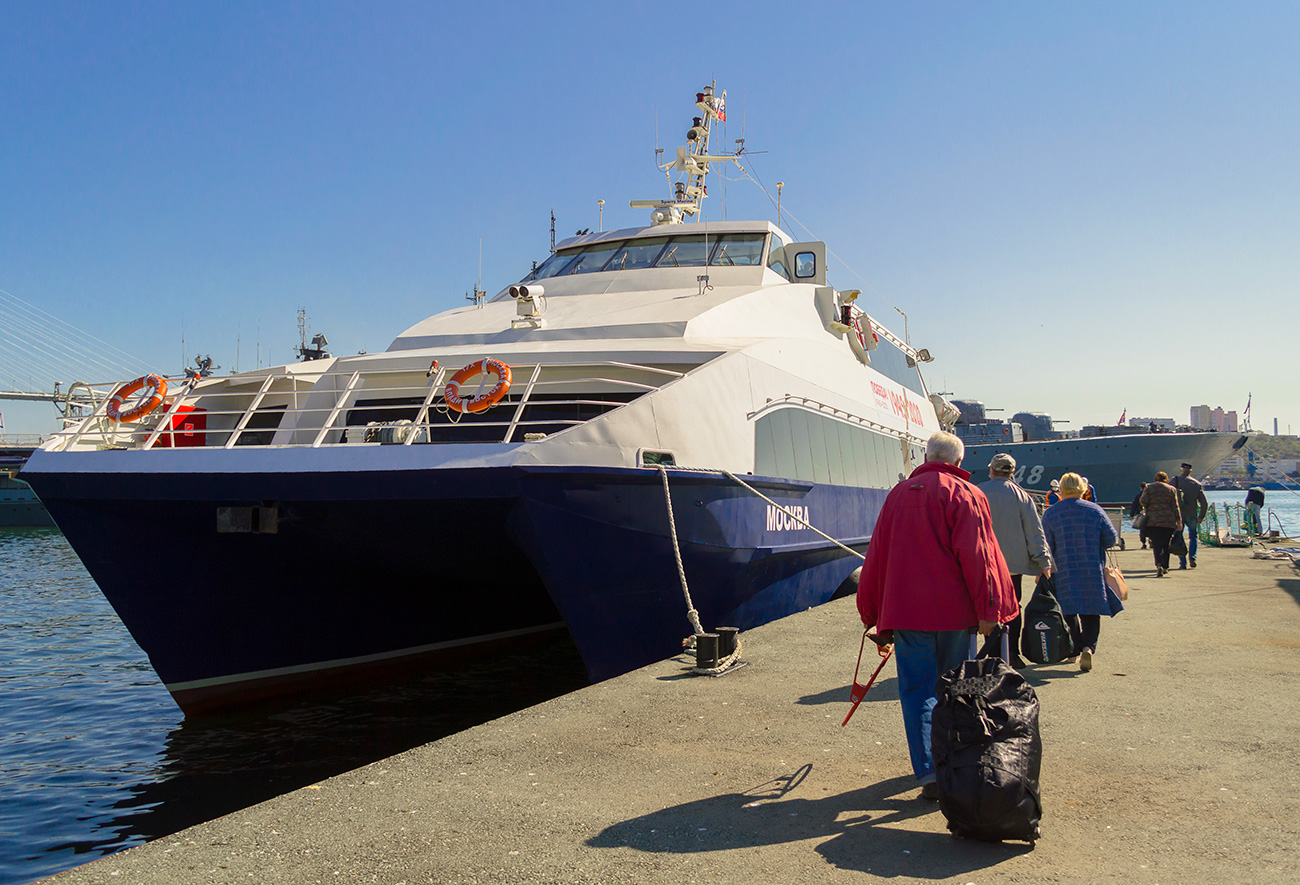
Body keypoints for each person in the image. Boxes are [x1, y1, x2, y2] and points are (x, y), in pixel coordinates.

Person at [857, 431, 1017, 802]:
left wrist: (870, 610)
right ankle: (957, 763)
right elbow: (980, 559)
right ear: (959, 462)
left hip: (908, 613)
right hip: (957, 615)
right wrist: (989, 610)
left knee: (917, 692)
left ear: (924, 457)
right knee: (958, 690)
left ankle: (929, 771)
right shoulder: (967, 494)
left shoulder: (897, 495)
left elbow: (877, 555)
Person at [978, 453, 1053, 669]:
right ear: (1012, 472)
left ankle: (991, 653)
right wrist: (1043, 561)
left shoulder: (978, 491)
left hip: (985, 564)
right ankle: (1012, 653)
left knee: (987, 608)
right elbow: (1034, 532)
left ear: (992, 470)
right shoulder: (1023, 496)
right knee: (1013, 608)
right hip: (1013, 567)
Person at [1041, 473, 1119, 672]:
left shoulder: (1051, 513)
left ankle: (1074, 649)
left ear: (1061, 489)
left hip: (1063, 570)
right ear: (1082, 488)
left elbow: (1045, 545)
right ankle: (1088, 648)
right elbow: (1111, 539)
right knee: (1091, 610)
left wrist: (1041, 569)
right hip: (1091, 568)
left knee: (1068, 611)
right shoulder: (1095, 510)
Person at [1139, 471, 1182, 576]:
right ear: (1166, 479)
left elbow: (1142, 501)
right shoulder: (1171, 489)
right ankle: (1165, 566)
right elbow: (1175, 506)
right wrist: (1179, 520)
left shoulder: (1149, 488)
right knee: (1166, 544)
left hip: (1153, 521)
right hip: (1168, 521)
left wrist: (1148, 506)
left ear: (1155, 478)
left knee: (1157, 544)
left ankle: (1158, 565)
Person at [1170, 462, 1208, 569]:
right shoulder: (1196, 484)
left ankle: (1182, 562)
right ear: (1190, 471)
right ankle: (1192, 557)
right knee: (1193, 536)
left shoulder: (1175, 480)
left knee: (1178, 537)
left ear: (1181, 470)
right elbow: (1204, 502)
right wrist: (1201, 516)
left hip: (1178, 515)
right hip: (1192, 514)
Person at [1129, 482, 1149, 549]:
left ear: (1140, 488)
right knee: (1151, 528)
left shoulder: (1138, 496)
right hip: (1150, 514)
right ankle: (1151, 541)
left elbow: (1134, 506)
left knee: (1142, 529)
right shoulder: (1150, 495)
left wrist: (1132, 515)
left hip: (1141, 515)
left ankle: (1144, 543)